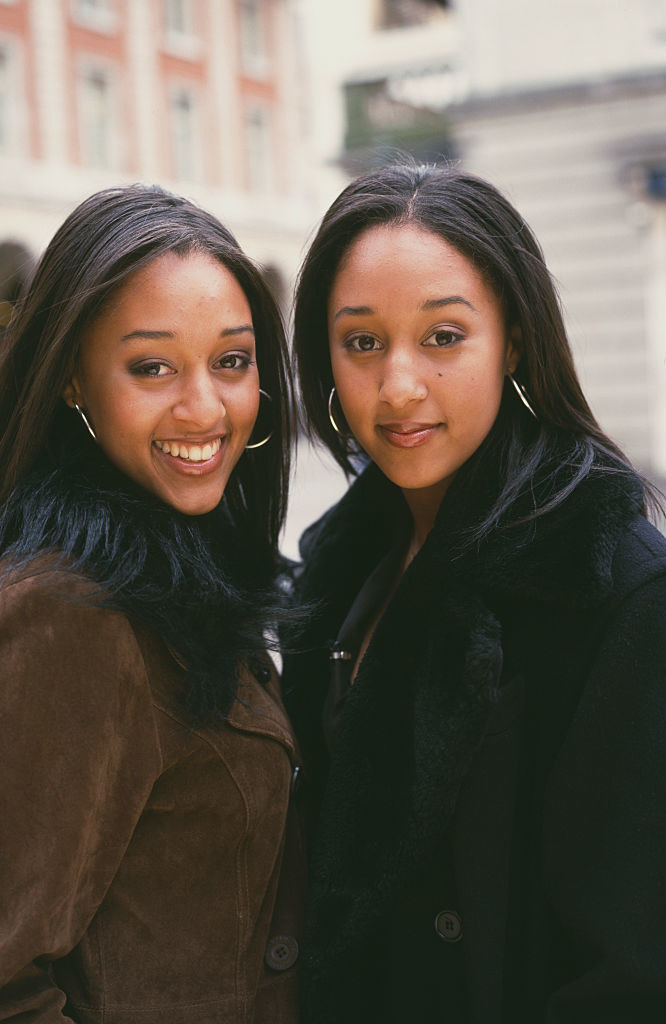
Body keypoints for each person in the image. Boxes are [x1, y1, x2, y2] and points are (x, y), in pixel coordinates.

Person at [283, 162, 666, 1023]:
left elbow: (633, 973)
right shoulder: (342, 564)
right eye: (363, 342)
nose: (399, 386)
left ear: (516, 341)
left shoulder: (618, 591)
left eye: (444, 337)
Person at [0, 185, 305, 1022]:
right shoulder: (66, 616)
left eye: (232, 361)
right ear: (71, 380)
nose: (205, 407)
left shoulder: (184, 551)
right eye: (152, 366)